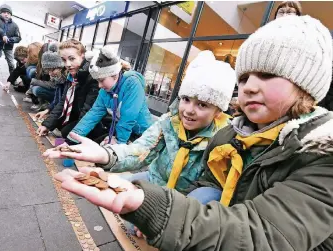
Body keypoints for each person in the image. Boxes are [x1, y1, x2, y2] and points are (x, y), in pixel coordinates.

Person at [54, 15, 333, 250]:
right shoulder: (220, 135)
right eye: (245, 77)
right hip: (174, 191)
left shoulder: (319, 152)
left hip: (219, 217)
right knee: (123, 191)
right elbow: (142, 150)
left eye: (269, 75)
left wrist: (157, 209)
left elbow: (264, 231)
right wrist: (106, 154)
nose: (248, 87)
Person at [45, 50, 236, 200]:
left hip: (140, 132)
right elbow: (97, 115)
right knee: (115, 189)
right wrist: (101, 152)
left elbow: (128, 118)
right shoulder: (169, 121)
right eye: (185, 99)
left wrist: (117, 141)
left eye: (202, 104)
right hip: (154, 169)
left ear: (218, 110)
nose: (188, 110)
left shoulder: (224, 140)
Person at [67, 46, 153, 145]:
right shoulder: (105, 91)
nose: (99, 86)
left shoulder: (132, 83)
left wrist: (119, 142)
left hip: (143, 134)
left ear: (114, 74)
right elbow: (94, 113)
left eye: (102, 80)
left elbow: (129, 117)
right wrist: (73, 137)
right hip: (124, 131)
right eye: (97, 81)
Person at [36, 39, 100, 140]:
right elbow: (62, 102)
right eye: (64, 60)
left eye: (72, 59)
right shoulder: (72, 75)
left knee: (67, 132)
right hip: (78, 114)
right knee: (61, 127)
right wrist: (47, 125)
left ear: (83, 55)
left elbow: (88, 110)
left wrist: (75, 135)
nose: (68, 64)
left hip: (96, 121)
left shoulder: (92, 77)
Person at [0, 4, 21, 84]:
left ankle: (13, 80)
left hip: (8, 47)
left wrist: (10, 39)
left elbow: (18, 37)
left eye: (8, 13)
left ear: (10, 15)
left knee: (11, 64)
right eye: (4, 12)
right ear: (1, 13)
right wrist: (3, 34)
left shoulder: (15, 25)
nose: (6, 14)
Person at [35, 45, 67, 120]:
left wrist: (52, 117)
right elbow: (57, 99)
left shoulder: (66, 80)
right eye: (48, 71)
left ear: (60, 67)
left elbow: (62, 102)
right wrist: (47, 110)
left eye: (52, 70)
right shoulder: (60, 79)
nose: (50, 73)